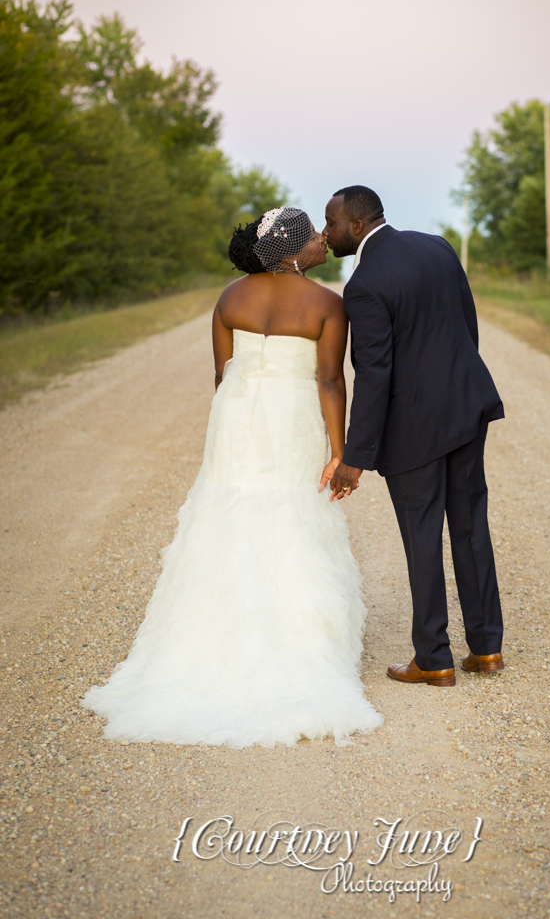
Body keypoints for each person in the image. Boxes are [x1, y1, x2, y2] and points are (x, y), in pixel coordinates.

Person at [82, 207, 382, 747]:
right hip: (290, 418)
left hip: (237, 416)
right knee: (293, 515)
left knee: (227, 511)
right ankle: (296, 648)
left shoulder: (229, 298)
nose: (321, 241)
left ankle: (207, 643)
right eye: (312, 234)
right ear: (291, 250)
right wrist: (341, 452)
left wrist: (235, 420)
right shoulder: (327, 304)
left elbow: (222, 375)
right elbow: (332, 380)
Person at [323, 186, 505, 687]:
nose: (326, 232)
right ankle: (487, 649)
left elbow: (373, 374)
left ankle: (434, 658)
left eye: (331, 222)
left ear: (357, 225)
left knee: (423, 537)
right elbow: (465, 326)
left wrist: (354, 457)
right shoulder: (437, 245)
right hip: (466, 408)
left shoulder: (362, 284)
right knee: (470, 529)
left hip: (414, 430)